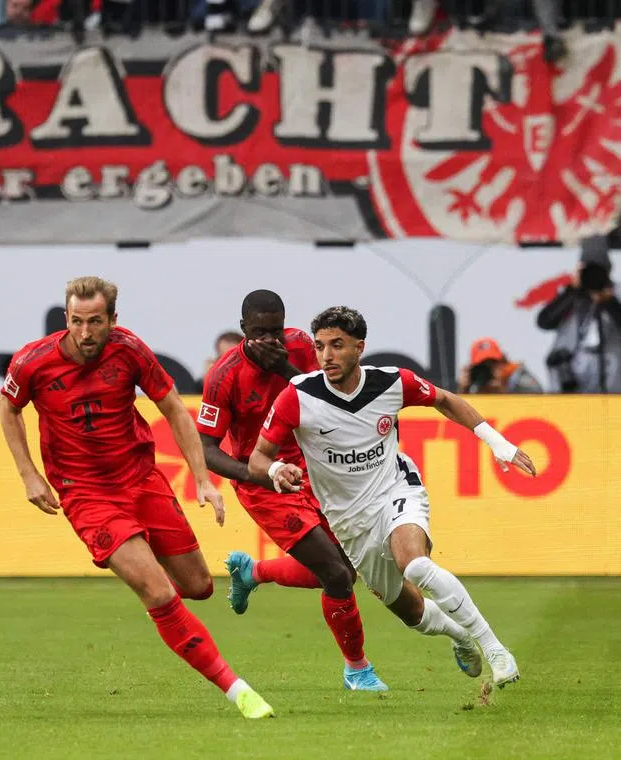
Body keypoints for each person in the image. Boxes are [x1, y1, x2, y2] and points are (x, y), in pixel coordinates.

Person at [0, 276, 274, 719]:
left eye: (95, 322)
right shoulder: (32, 362)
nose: (85, 333)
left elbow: (172, 408)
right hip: (85, 493)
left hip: (141, 479)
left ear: (112, 319)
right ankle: (238, 690)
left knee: (198, 587)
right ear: (65, 318)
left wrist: (203, 479)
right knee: (158, 590)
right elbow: (8, 408)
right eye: (76, 322)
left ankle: (165, 610)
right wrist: (29, 475)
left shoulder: (129, 349)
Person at [249, 306, 536, 689]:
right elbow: (257, 458)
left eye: (337, 345)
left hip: (397, 489)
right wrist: (273, 471)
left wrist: (497, 444)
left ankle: (495, 649)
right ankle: (459, 635)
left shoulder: (391, 383)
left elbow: (446, 400)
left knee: (414, 564)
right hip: (349, 521)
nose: (326, 356)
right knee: (411, 611)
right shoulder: (298, 397)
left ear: (359, 348)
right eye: (319, 347)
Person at [197, 290, 387, 692]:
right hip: (264, 484)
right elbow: (206, 450)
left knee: (345, 571)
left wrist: (284, 366)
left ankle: (254, 572)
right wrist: (257, 475)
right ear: (244, 329)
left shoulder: (302, 348)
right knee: (336, 575)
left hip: (315, 471)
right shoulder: (223, 376)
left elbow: (335, 396)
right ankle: (358, 669)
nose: (270, 340)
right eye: (260, 333)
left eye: (276, 331)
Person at [536, 236, 621, 393]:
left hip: (612, 382)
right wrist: (573, 290)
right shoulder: (570, 295)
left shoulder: (616, 294)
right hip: (571, 381)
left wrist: (609, 301)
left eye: (599, 272)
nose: (594, 278)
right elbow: (544, 321)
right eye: (589, 271)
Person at [458, 338, 543, 394]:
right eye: (482, 366)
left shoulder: (517, 377)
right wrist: (464, 390)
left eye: (493, 363)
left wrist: (503, 389)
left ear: (503, 361)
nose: (487, 370)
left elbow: (538, 399)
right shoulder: (472, 381)